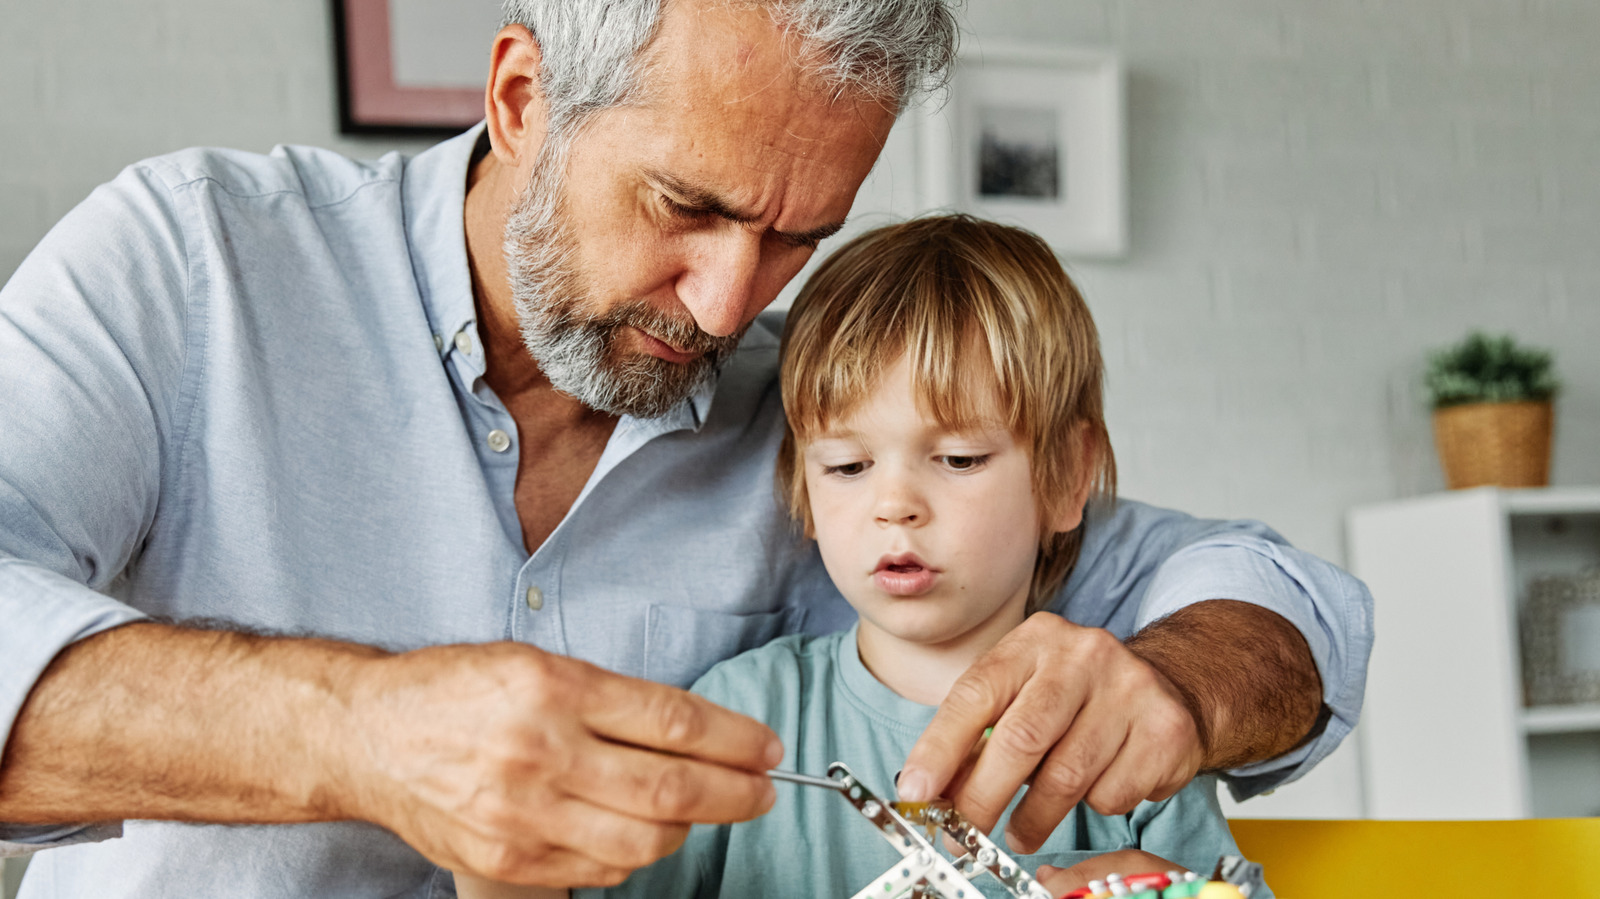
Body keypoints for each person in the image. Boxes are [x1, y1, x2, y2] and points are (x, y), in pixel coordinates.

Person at [0, 1, 1370, 897]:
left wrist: (1173, 686)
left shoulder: (819, 416)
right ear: (523, 97)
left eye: (795, 237)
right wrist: (361, 731)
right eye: (689, 206)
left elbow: (1280, 602)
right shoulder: (195, 262)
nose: (729, 304)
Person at [459, 215, 1271, 899]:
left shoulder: (1123, 737)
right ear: (804, 490)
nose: (894, 503)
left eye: (956, 460)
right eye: (847, 466)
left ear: (1065, 477)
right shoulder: (743, 716)